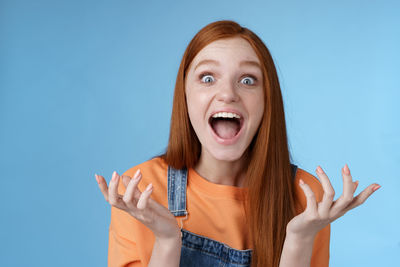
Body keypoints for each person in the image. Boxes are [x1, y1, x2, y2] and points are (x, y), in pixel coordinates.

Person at [95, 20, 381, 267]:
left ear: (267, 100)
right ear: (185, 96)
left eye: (247, 80)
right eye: (207, 78)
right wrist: (168, 241)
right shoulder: (138, 192)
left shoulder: (307, 198)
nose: (227, 94)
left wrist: (300, 238)